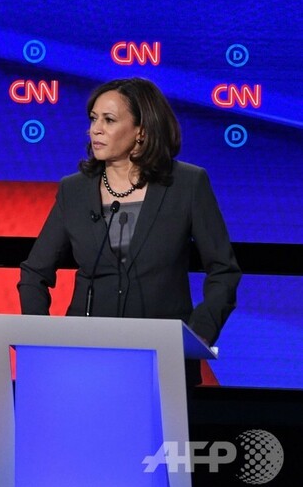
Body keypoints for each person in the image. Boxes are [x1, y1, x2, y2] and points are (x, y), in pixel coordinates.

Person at [18, 77, 241, 383]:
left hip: (163, 360)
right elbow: (34, 272)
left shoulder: (187, 185)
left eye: (109, 120)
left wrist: (199, 332)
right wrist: (40, 338)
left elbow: (224, 270)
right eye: (93, 119)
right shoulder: (75, 190)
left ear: (141, 131)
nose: (95, 129)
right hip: (85, 358)